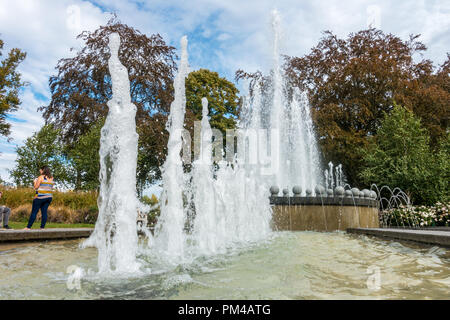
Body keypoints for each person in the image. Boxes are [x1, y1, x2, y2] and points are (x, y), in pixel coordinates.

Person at [24, 166, 54, 230]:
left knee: (34, 212)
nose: (40, 171)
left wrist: (35, 182)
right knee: (44, 212)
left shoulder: (41, 177)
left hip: (40, 197)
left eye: (40, 170)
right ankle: (42, 227)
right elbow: (50, 187)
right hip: (49, 197)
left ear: (43, 170)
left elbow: (36, 187)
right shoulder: (51, 178)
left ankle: (28, 227)